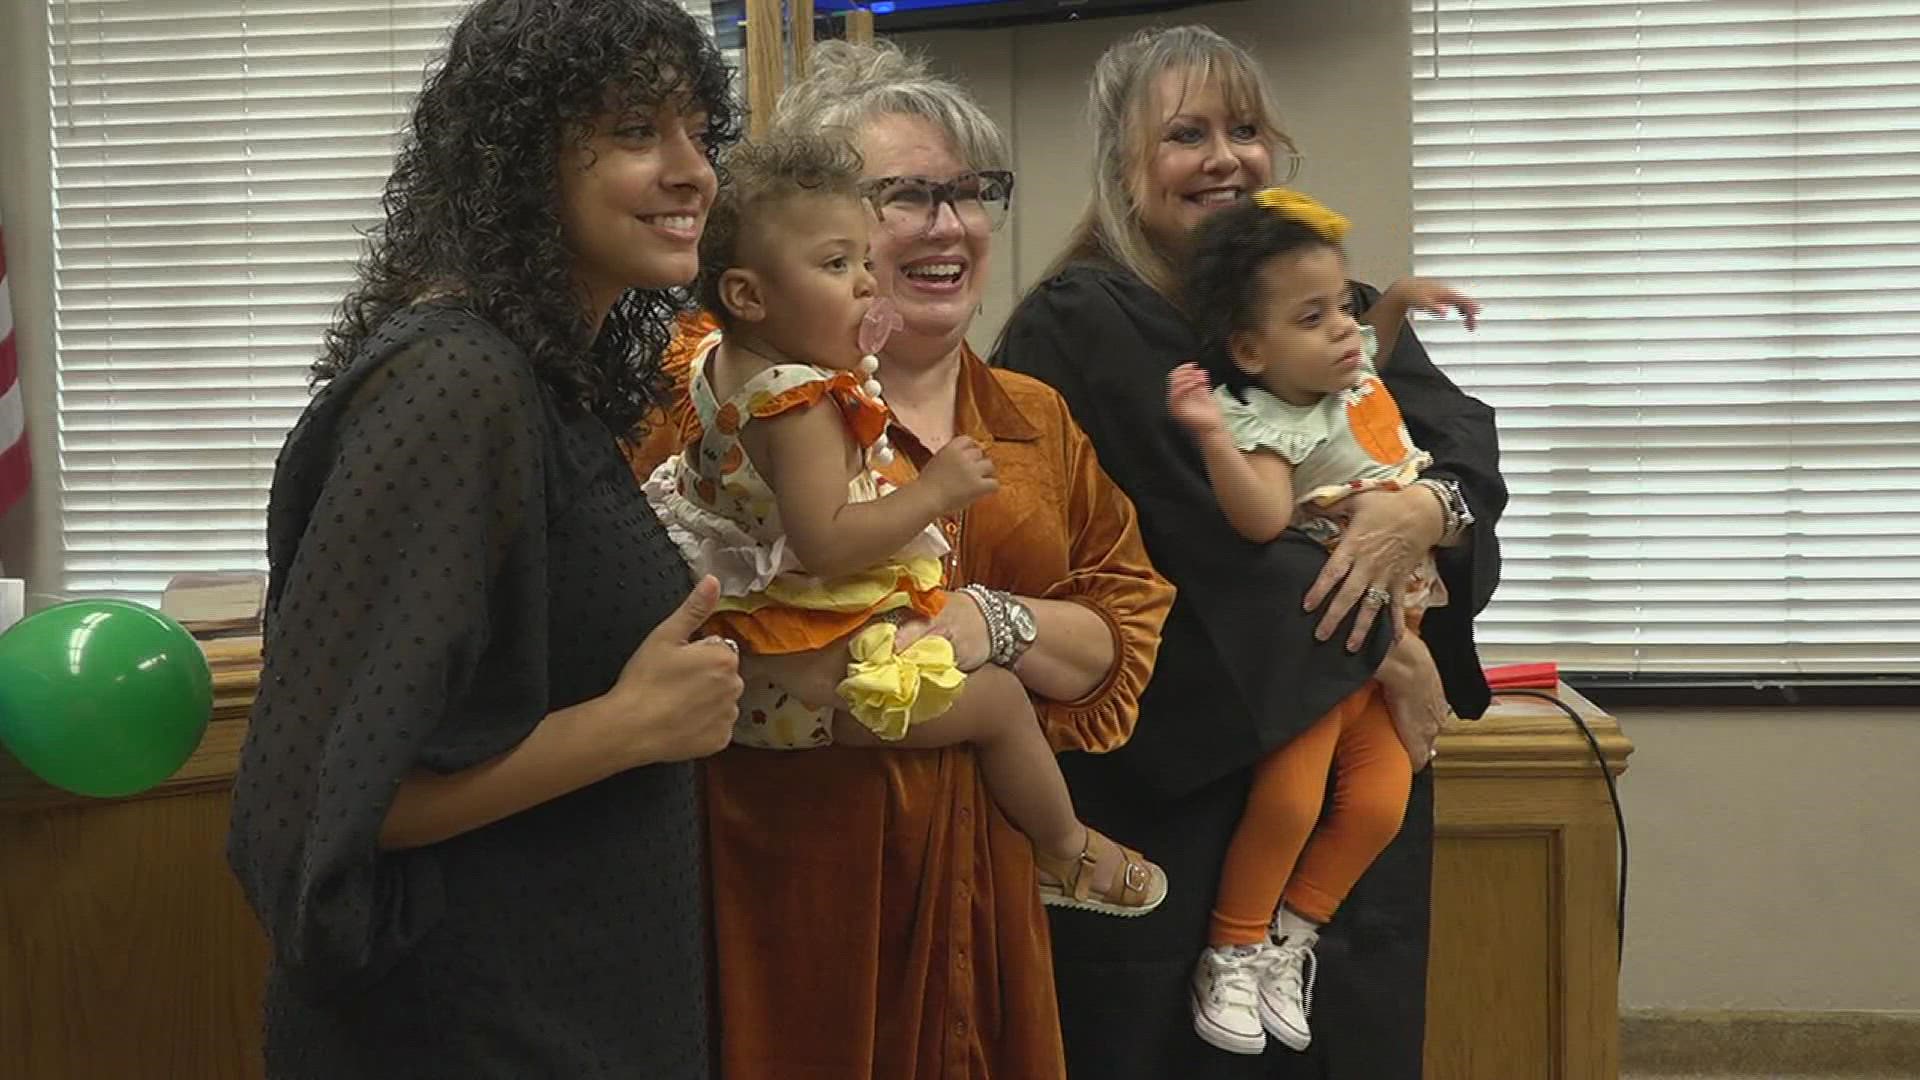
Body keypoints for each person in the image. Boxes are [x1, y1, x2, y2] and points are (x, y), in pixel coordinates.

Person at [625, 39, 1176, 1078]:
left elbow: (1122, 627)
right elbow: (653, 623)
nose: (948, 225)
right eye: (904, 197)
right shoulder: (703, 397)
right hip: (786, 888)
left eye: (969, 194)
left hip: (986, 902)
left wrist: (991, 621)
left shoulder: (1032, 420)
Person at [225, 2, 744, 1076]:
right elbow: (329, 800)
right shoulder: (456, 382)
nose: (693, 170)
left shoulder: (548, 378)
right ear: (519, 160)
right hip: (466, 1032)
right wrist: (630, 726)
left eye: (699, 129)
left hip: (568, 1007)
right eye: (638, 131)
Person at [993, 25, 1507, 1080]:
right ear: (1123, 165)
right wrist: (1387, 650)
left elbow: (1452, 447)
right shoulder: (1086, 320)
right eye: (1187, 133)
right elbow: (1196, 544)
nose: (1226, 156)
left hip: (1341, 797)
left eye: (1245, 129)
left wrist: (1429, 514)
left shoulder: (1316, 303)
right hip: (1185, 801)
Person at [1166, 188, 1479, 1055]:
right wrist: (1210, 436)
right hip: (1327, 653)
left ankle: (1289, 937)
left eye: (1344, 305)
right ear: (1251, 349)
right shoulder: (1268, 425)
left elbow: (1367, 338)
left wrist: (1401, 300)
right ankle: (1231, 948)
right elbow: (1262, 519)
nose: (1345, 329)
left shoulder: (1355, 376)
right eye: (1316, 316)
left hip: (1391, 644)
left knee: (1381, 802)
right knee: (1293, 796)